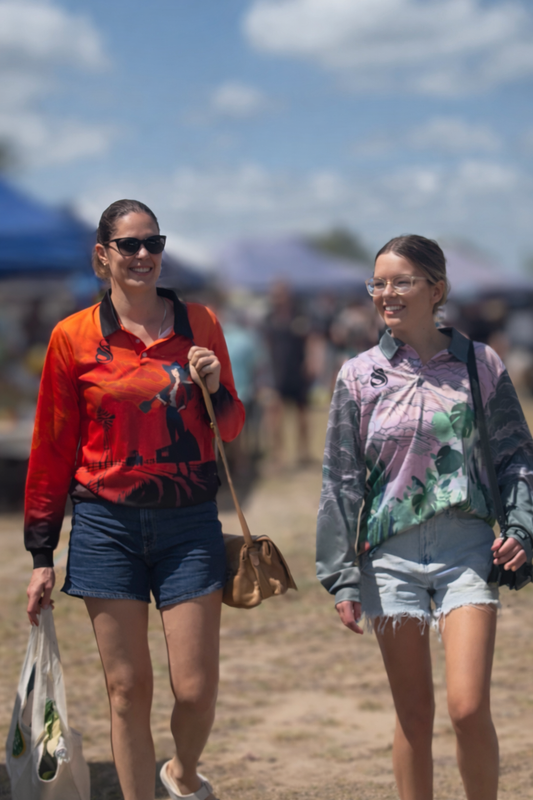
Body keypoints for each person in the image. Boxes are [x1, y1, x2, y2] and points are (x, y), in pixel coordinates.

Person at [24, 199, 245, 800]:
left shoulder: (199, 324)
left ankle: (181, 772)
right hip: (104, 526)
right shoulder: (72, 337)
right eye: (130, 245)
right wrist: (41, 554)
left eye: (154, 243)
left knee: (195, 689)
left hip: (189, 523)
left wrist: (217, 387)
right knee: (126, 691)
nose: (144, 255)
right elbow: (51, 447)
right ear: (103, 255)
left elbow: (230, 429)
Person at [316, 234, 533, 800]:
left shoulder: (481, 364)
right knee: (413, 716)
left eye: (402, 281)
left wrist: (521, 529)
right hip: (387, 559)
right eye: (378, 283)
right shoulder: (358, 376)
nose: (386, 293)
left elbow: (516, 458)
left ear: (436, 289)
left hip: (466, 550)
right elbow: (340, 480)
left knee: (467, 708)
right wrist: (339, 573)